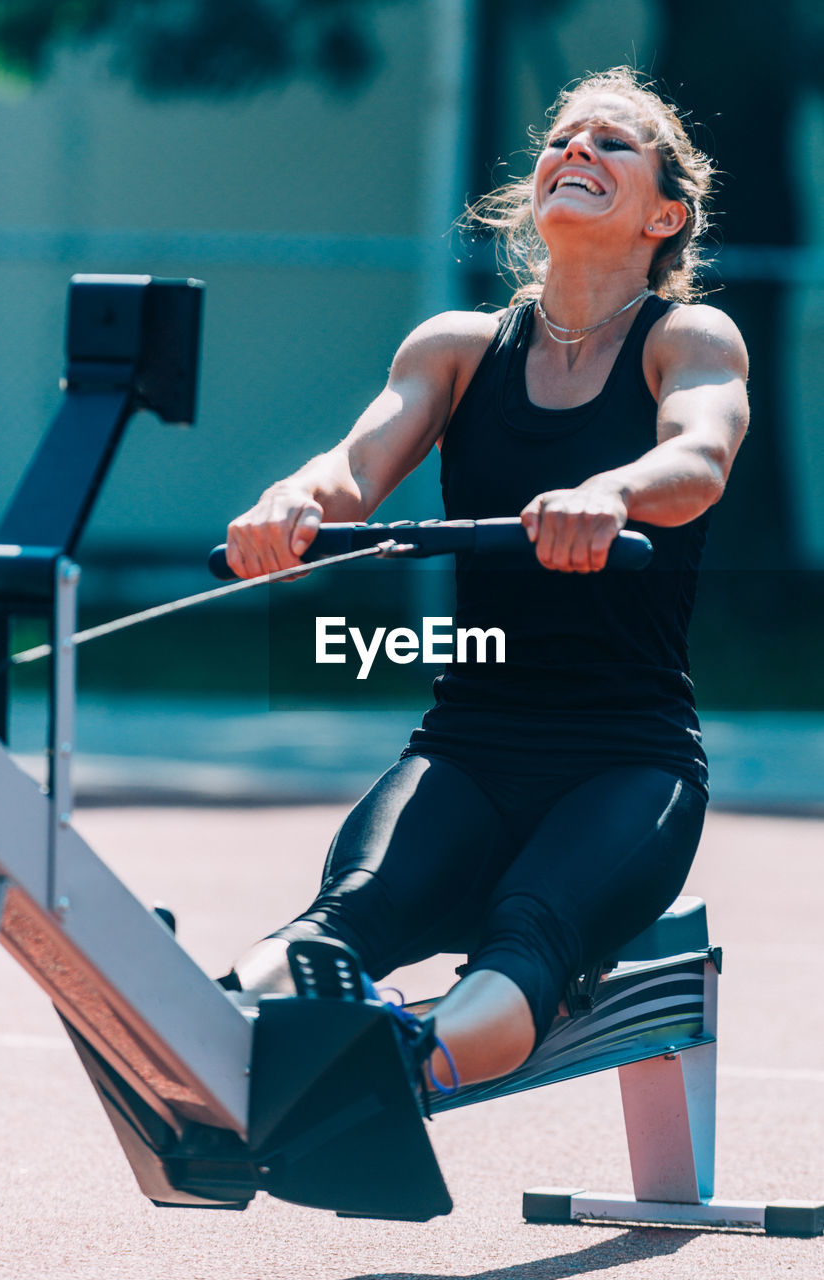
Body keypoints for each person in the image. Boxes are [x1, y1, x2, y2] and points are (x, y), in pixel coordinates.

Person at [220, 67, 748, 1093]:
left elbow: (697, 460)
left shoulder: (687, 339)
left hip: (624, 757)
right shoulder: (457, 348)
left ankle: (403, 1069)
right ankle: (220, 1033)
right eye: (562, 137)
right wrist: (291, 499)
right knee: (348, 914)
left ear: (663, 214)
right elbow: (352, 468)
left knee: (529, 930)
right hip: (467, 741)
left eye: (612, 142)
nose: (576, 150)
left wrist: (610, 490)